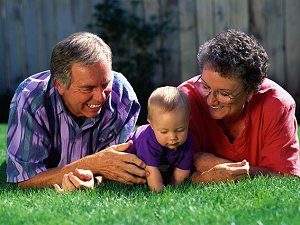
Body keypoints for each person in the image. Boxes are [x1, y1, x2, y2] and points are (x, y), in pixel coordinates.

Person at [6, 32, 147, 191]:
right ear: (59, 85)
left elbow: (114, 165)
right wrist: (93, 164)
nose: (100, 98)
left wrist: (95, 179)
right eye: (88, 88)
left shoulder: (121, 97)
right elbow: (25, 178)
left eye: (105, 84)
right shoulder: (31, 99)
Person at [178, 29, 300, 184]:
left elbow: (286, 178)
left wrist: (208, 162)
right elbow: (166, 162)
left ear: (250, 92)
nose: (211, 101)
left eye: (224, 93)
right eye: (206, 87)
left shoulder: (276, 104)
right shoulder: (184, 100)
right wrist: (202, 175)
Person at [126, 86, 194, 192]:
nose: (173, 137)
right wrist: (161, 193)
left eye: (180, 130)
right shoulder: (147, 139)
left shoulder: (188, 141)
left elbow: (182, 171)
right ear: (151, 124)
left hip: (161, 167)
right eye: (164, 132)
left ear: (188, 122)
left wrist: (174, 190)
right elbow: (150, 170)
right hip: (133, 166)